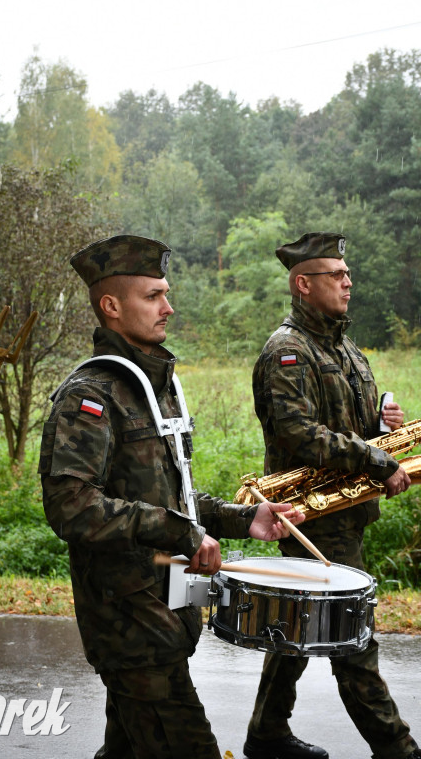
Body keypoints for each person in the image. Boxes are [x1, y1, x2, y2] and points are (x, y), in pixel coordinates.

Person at [39, 234, 305, 759]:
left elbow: (173, 494)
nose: (169, 306)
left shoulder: (154, 386)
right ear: (112, 307)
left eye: (167, 293)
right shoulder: (90, 395)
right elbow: (70, 506)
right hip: (130, 625)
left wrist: (244, 517)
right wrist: (181, 532)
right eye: (154, 296)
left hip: (161, 616)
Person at [243, 232, 420, 759]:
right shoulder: (288, 352)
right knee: (354, 638)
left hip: (346, 510)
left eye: (347, 274)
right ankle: (398, 749)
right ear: (303, 284)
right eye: (335, 275)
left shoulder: (343, 345)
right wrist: (376, 459)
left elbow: (348, 424)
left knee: (295, 626)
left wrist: (382, 423)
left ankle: (266, 733)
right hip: (310, 515)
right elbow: (299, 434)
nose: (348, 282)